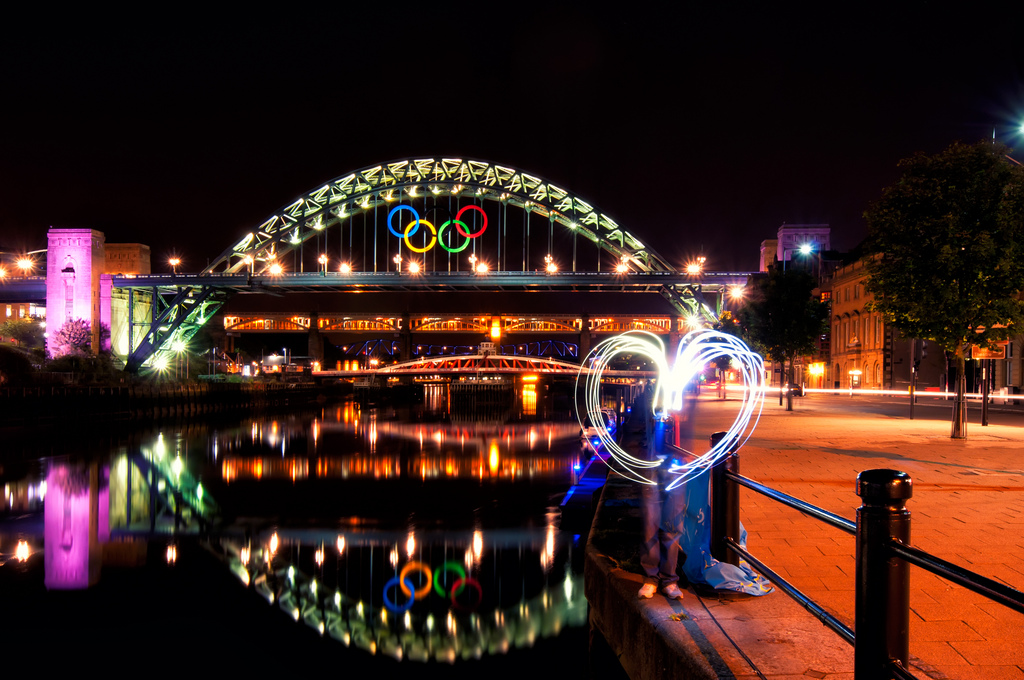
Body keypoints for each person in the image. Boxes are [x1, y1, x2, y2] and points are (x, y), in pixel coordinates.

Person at [637, 382, 688, 600]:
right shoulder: (648, 395)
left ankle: (669, 579)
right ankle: (651, 578)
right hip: (651, 466)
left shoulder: (685, 397)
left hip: (675, 467)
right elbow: (637, 431)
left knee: (673, 525)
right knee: (650, 524)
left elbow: (689, 434)